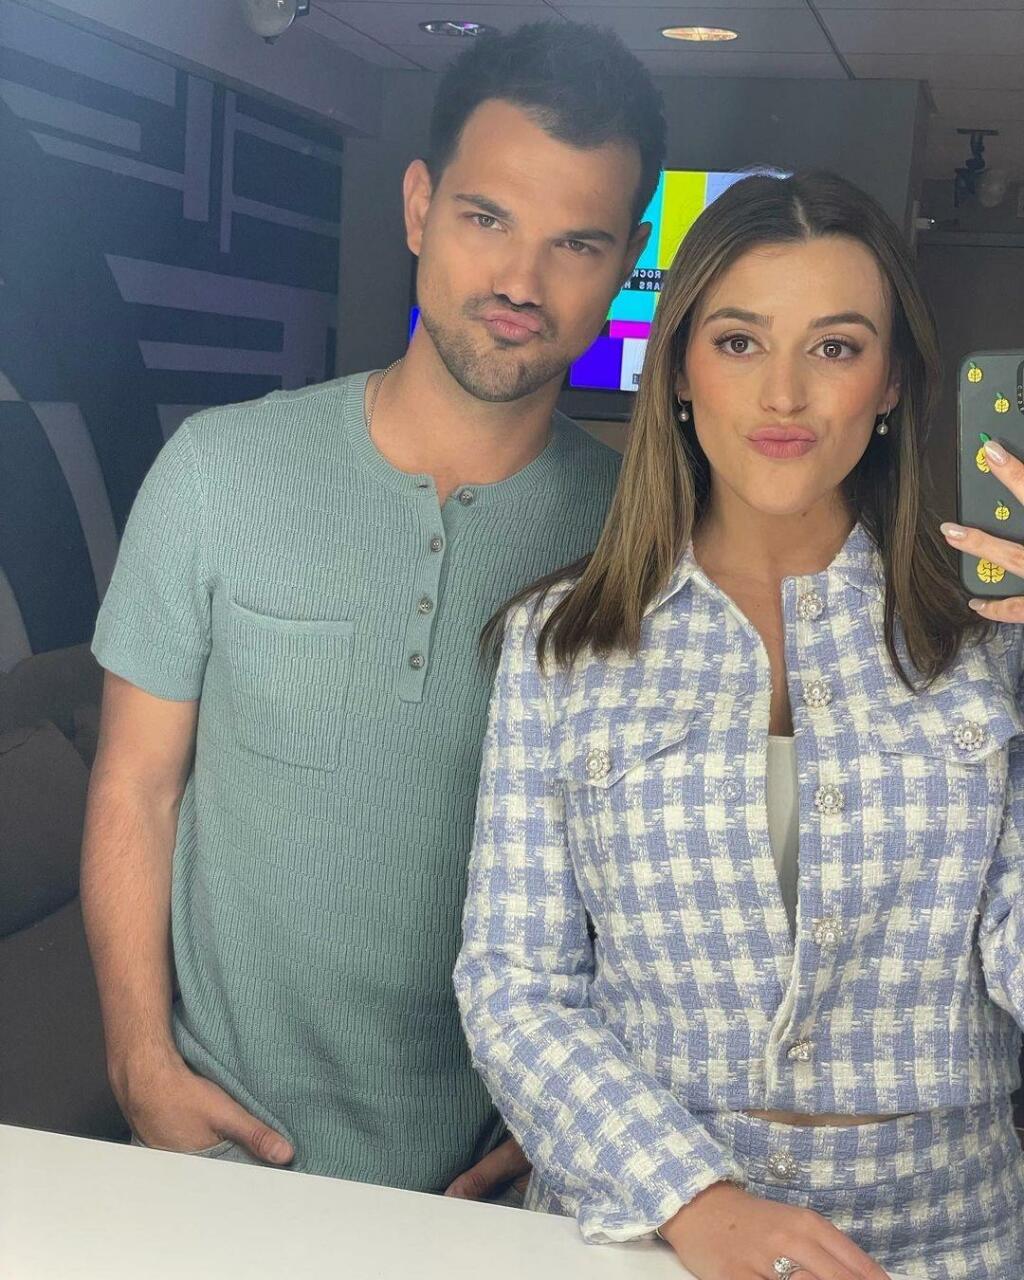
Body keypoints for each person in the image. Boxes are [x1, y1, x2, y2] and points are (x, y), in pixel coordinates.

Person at [80, 20, 664, 1195]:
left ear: (626, 262)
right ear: (417, 206)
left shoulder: (644, 543)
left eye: (576, 242)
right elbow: (136, 785)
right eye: (486, 218)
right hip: (216, 1152)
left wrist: (568, 1122)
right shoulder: (215, 470)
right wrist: (140, 1063)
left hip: (501, 1181)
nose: (520, 281)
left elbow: (651, 875)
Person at [455, 170, 1024, 1277]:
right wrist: (696, 1200)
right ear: (678, 369)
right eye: (738, 341)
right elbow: (514, 983)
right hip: (642, 1229)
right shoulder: (560, 644)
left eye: (835, 346)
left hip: (948, 1231)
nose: (784, 395)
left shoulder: (985, 636)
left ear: (891, 383)